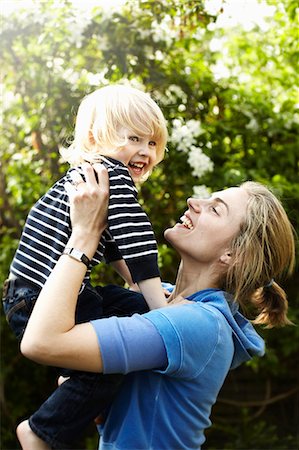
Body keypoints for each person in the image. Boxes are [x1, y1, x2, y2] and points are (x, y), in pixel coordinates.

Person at [18, 164, 295, 450]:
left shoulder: (198, 323)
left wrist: (85, 234)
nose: (194, 202)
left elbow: (41, 342)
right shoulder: (161, 301)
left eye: (215, 209)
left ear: (233, 254)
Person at [2, 85, 169, 449]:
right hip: (43, 297)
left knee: (134, 311)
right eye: (134, 138)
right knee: (112, 360)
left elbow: (115, 248)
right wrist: (164, 309)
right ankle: (40, 430)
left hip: (33, 293)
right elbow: (138, 243)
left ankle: (72, 377)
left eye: (153, 143)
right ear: (96, 138)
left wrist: (147, 295)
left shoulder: (88, 175)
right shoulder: (111, 175)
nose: (145, 151)